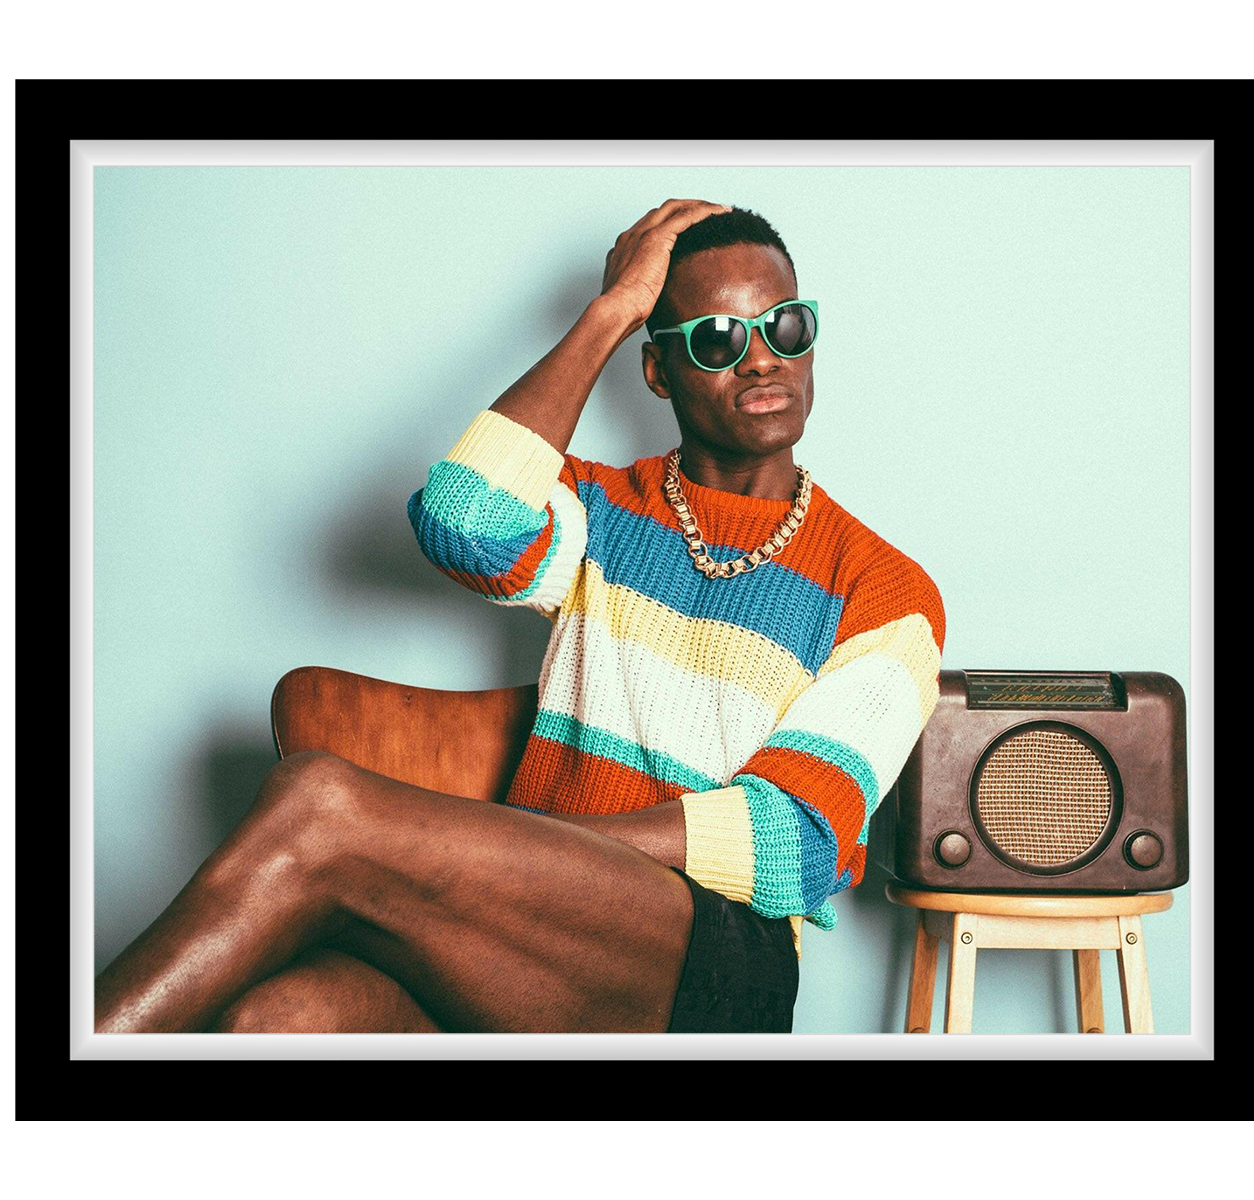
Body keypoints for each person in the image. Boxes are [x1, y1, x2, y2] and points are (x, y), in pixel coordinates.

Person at [93, 199, 945, 1034]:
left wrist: (512, 849)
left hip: (712, 963)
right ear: (658, 369)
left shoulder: (886, 590)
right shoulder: (603, 512)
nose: (762, 361)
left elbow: (791, 837)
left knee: (318, 801)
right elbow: (464, 519)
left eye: (785, 327)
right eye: (717, 340)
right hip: (525, 929)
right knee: (275, 1018)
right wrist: (610, 312)